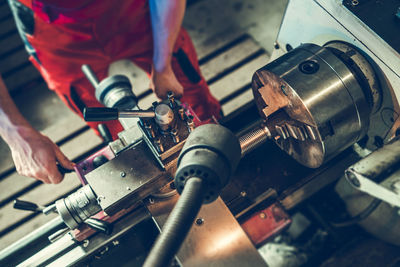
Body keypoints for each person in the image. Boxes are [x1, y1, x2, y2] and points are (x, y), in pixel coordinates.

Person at [0, 0, 221, 184]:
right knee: (112, 129)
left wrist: (162, 63)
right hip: (53, 35)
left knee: (192, 102)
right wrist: (15, 133)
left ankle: (218, 140)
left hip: (132, 11)